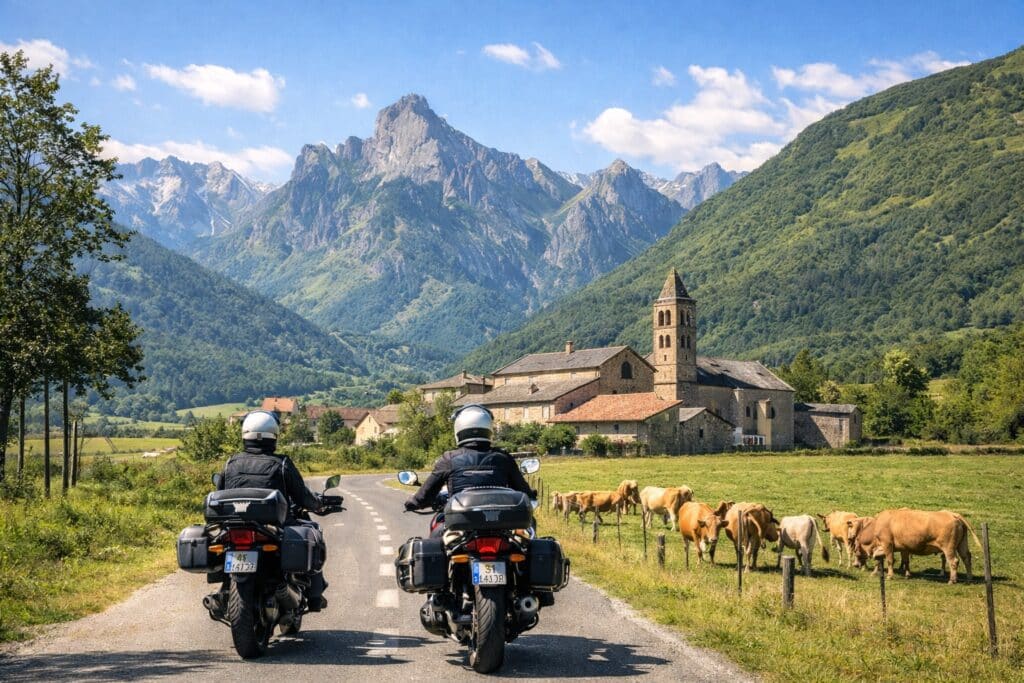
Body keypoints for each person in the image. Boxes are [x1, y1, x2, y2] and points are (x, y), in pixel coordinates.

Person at [219, 410, 329, 611]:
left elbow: (221, 494)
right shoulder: (282, 463)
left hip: (234, 524)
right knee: (313, 531)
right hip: (274, 525)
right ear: (274, 435)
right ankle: (314, 596)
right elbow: (301, 495)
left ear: (245, 435)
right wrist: (318, 505)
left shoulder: (230, 463)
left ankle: (223, 588)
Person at [404, 404, 536, 514]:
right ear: (489, 429)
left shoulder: (449, 459)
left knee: (438, 533)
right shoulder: (503, 458)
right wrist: (531, 494)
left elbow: (426, 494)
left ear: (459, 430)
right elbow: (522, 490)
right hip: (500, 525)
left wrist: (413, 503)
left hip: (461, 522)